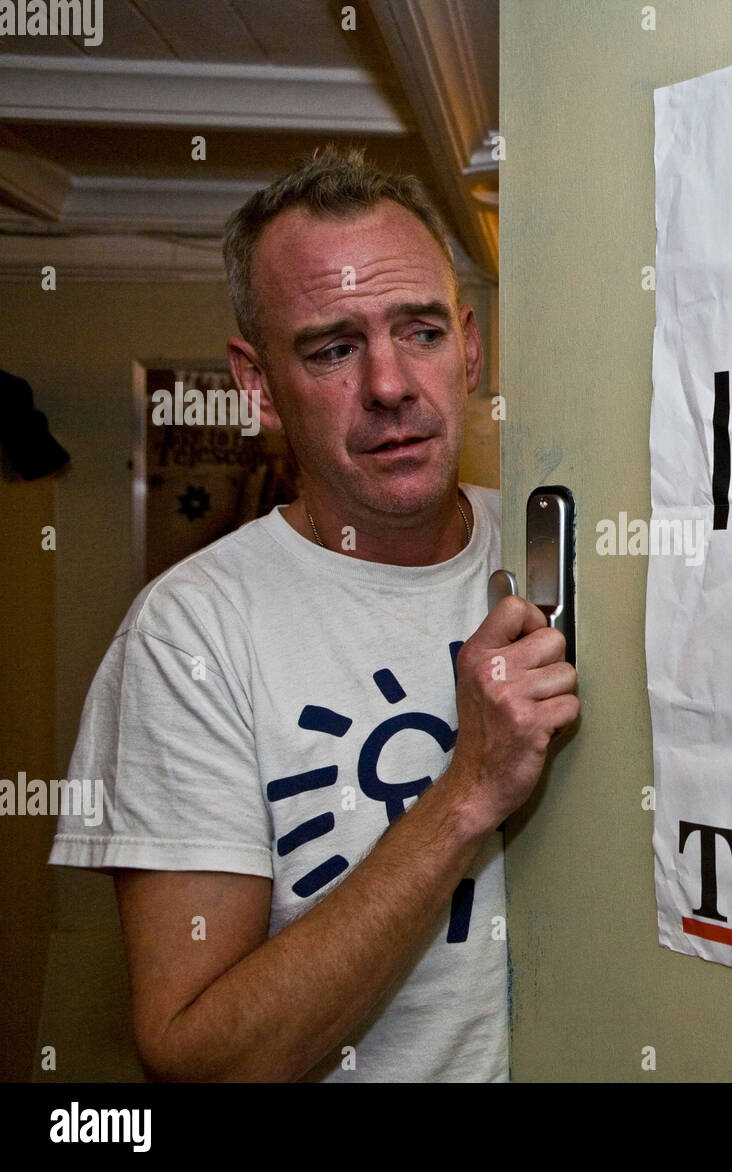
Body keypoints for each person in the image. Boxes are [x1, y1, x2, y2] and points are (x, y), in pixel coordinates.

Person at [48, 145, 579, 1082]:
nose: (388, 385)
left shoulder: (556, 552)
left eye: (419, 332)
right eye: (334, 348)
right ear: (257, 385)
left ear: (470, 345)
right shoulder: (191, 636)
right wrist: (465, 795)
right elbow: (202, 1061)